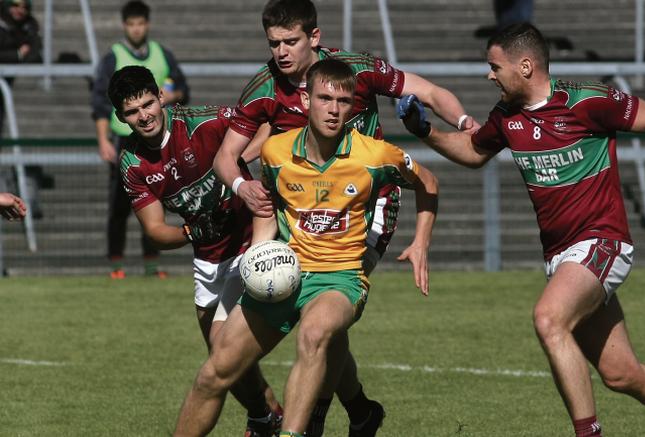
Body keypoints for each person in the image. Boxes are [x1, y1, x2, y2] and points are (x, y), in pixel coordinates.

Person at [397, 23, 645, 437]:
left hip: (603, 241)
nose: (488, 75)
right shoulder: (507, 117)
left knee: (549, 319)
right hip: (562, 256)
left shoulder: (588, 101)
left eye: (495, 66)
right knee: (622, 375)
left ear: (525, 66)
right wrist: (428, 132)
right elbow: (474, 151)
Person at [211, 0, 476, 433]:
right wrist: (244, 186)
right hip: (303, 203)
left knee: (328, 310)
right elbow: (231, 157)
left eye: (290, 41)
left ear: (313, 37)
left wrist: (465, 121)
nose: (280, 52)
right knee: (320, 316)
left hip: (369, 207)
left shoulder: (356, 70)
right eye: (274, 43)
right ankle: (359, 409)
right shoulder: (264, 87)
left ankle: (313, 414)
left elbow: (428, 92)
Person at [174, 58, 439, 437]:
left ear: (353, 106)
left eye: (344, 101)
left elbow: (428, 182)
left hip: (340, 279)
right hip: (286, 271)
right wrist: (259, 254)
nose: (334, 109)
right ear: (306, 98)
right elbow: (268, 211)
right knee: (214, 373)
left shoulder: (375, 154)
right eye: (325, 98)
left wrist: (421, 243)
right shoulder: (275, 152)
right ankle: (360, 412)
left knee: (314, 334)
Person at [107, 65, 282, 436]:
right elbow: (155, 230)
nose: (144, 116)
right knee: (222, 359)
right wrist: (191, 229)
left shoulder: (205, 122)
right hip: (207, 260)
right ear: (122, 118)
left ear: (160, 96)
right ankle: (265, 416)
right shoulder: (132, 163)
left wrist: (239, 161)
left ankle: (271, 419)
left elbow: (264, 123)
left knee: (222, 356)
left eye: (148, 104)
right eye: (132, 112)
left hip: (251, 244)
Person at [91, 0, 189, 279]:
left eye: (140, 23)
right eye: (131, 24)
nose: (136, 29)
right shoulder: (113, 56)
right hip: (124, 140)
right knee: (119, 205)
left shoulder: (162, 54)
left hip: (158, 138)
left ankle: (151, 264)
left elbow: (182, 87)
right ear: (125, 26)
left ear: (147, 24)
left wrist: (171, 95)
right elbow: (99, 100)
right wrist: (102, 139)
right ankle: (116, 264)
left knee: (157, 201)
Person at [0, 0, 47, 219]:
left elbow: (35, 51)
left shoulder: (30, 26)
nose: (20, 10)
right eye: (15, 4)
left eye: (25, 6)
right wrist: (18, 54)